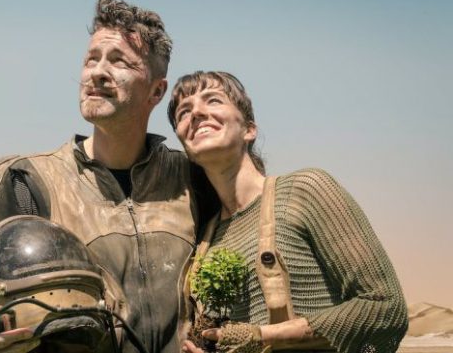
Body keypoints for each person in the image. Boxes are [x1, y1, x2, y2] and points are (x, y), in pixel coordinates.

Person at [0, 0, 210, 353]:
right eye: (92, 59)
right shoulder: (27, 180)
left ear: (156, 91)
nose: (97, 72)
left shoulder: (193, 179)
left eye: (119, 62)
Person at [168, 71, 408, 353]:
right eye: (184, 112)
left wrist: (263, 335)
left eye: (213, 100)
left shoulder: (305, 190)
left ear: (249, 129)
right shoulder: (203, 243)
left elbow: (385, 306)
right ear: (185, 145)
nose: (196, 112)